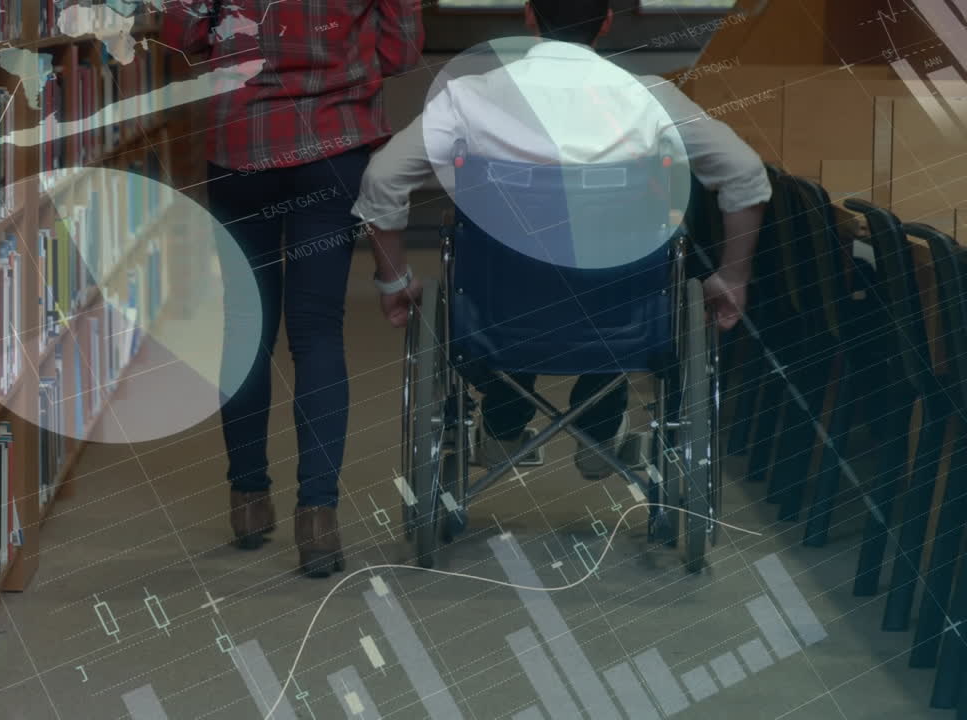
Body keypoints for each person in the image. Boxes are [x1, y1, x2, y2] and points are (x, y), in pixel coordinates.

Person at [351, 0, 769, 476]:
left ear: (529, 15)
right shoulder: (650, 98)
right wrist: (733, 277)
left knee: (517, 278)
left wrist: (393, 280)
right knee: (610, 276)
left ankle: (505, 423)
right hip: (622, 319)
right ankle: (599, 424)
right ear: (606, 20)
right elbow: (745, 174)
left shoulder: (469, 98)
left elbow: (383, 177)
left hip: (498, 315)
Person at [162, 0, 424, 577]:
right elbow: (401, 52)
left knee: (246, 328)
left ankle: (249, 502)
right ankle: (319, 517)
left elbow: (180, 37)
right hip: (332, 149)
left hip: (240, 151)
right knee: (318, 329)